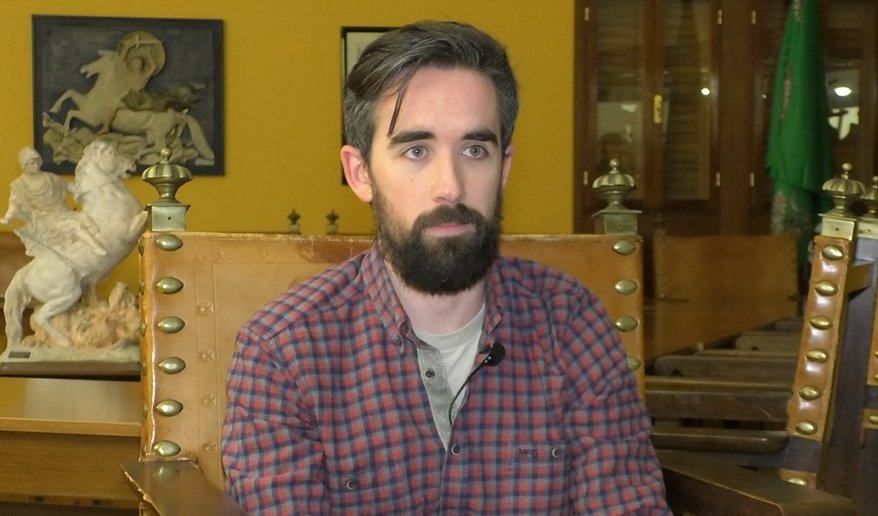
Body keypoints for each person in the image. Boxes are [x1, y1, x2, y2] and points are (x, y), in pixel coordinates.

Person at [222, 20, 670, 515]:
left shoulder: (570, 323)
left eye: (474, 150)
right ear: (360, 173)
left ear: (503, 169)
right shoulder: (283, 351)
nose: (450, 186)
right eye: (416, 150)